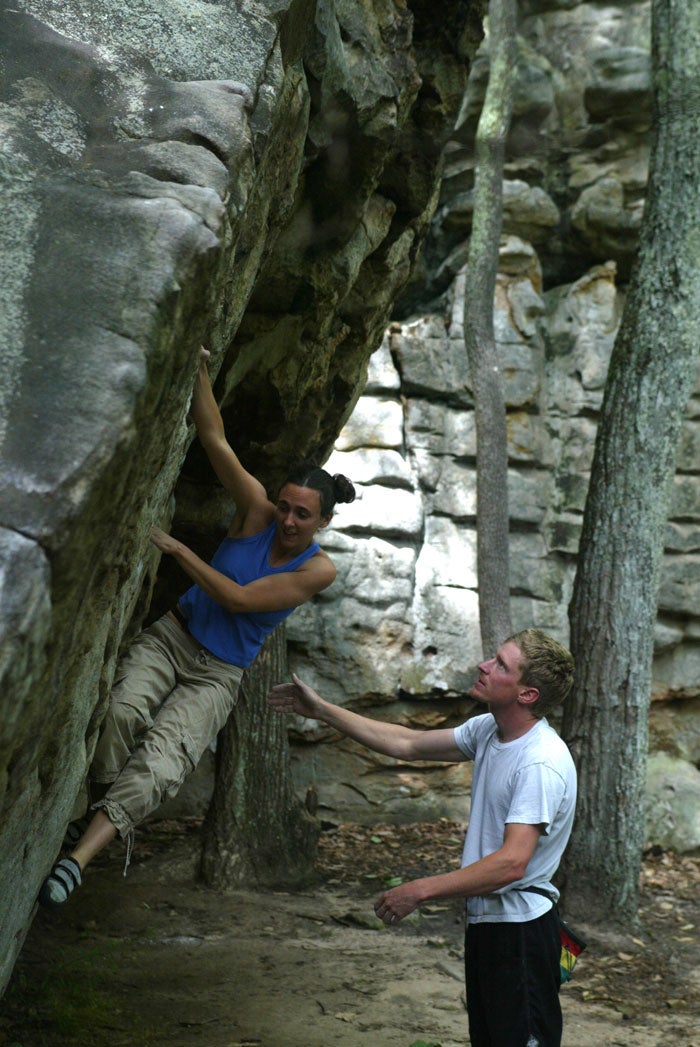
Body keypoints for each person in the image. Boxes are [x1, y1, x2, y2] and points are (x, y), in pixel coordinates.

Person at [38, 348, 355, 910]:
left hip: (218, 675)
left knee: (161, 764)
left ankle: (78, 859)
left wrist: (179, 550)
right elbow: (215, 440)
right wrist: (198, 366)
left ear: (323, 521)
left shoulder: (317, 570)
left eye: (302, 514)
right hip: (173, 638)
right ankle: (97, 809)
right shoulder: (255, 512)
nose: (287, 519)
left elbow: (238, 599)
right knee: (119, 713)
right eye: (285, 506)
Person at [268, 629, 576, 1047]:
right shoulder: (489, 730)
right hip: (491, 925)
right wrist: (322, 710)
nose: (484, 665)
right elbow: (408, 743)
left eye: (501, 665)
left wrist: (419, 891)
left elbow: (511, 863)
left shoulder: (540, 763)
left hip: (521, 933)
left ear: (527, 694)